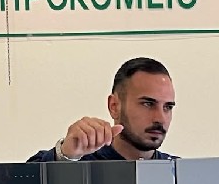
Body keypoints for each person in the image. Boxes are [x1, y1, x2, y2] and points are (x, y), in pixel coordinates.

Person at [29, 57, 176, 162]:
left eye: (168, 107)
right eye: (148, 104)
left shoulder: (181, 175)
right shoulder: (79, 163)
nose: (160, 118)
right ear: (114, 106)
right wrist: (64, 156)